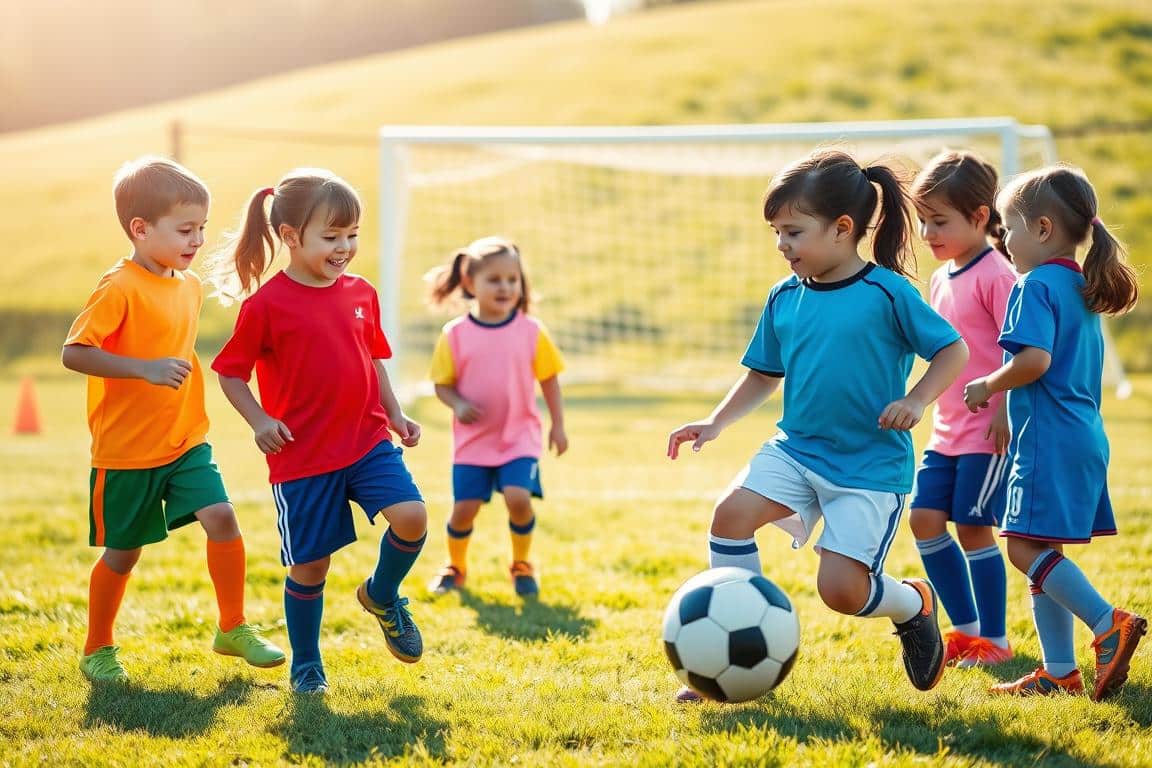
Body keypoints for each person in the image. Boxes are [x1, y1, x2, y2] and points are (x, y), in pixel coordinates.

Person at [668, 149, 969, 702]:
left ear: (842, 229)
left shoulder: (888, 293)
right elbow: (763, 374)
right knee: (730, 517)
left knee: (841, 592)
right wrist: (714, 422)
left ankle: (912, 603)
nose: (782, 245)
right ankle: (729, 652)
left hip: (869, 466)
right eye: (777, 233)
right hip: (797, 449)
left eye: (792, 232)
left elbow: (953, 350)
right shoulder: (783, 297)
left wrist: (918, 398)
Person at [62, 156, 284, 683]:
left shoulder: (188, 286)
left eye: (202, 228)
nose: (198, 240)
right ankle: (98, 648)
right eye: (186, 229)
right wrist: (141, 369)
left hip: (186, 439)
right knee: (123, 554)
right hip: (126, 451)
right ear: (140, 229)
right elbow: (74, 353)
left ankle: (233, 627)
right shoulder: (118, 287)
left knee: (222, 519)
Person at [209, 169, 428, 694]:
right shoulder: (265, 306)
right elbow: (230, 372)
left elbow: (373, 359)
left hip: (366, 440)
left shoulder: (361, 293)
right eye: (331, 237)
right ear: (290, 237)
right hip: (302, 457)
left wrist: (394, 415)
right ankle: (307, 664)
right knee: (310, 567)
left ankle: (381, 594)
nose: (345, 247)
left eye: (351, 235)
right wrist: (260, 420)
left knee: (413, 517)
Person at [963, 165, 1145, 700]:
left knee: (1019, 544)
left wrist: (988, 385)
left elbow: (1035, 360)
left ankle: (1106, 621)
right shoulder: (1079, 285)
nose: (1003, 239)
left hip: (1048, 441)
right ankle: (1058, 672)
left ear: (1042, 229)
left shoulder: (1033, 285)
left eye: (1008, 227)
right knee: (1045, 551)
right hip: (1084, 437)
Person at [908, 151, 1017, 668]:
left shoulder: (998, 273)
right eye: (923, 220)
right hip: (946, 430)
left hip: (988, 431)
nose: (928, 232)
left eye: (940, 221)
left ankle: (995, 640)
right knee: (925, 519)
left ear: (979, 216)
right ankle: (965, 632)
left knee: (974, 526)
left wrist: (1006, 407)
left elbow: (1026, 348)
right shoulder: (940, 278)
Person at [424, 237, 567, 597]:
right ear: (471, 284)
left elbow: (549, 380)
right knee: (464, 511)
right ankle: (455, 567)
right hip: (473, 443)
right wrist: (457, 404)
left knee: (518, 498)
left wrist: (559, 426)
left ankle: (522, 565)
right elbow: (442, 385)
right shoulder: (454, 334)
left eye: (512, 279)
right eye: (494, 280)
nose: (505, 287)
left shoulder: (532, 331)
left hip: (520, 437)